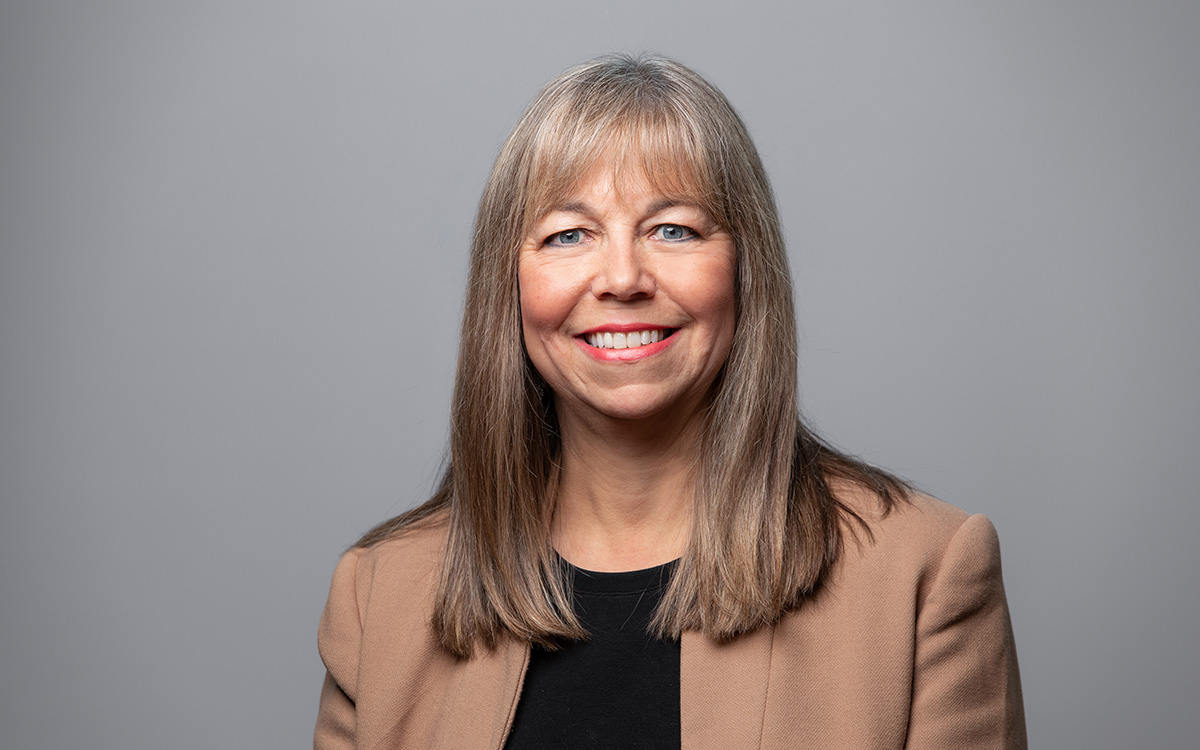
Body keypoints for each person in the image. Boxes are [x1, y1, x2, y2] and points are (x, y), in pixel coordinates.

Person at [314, 53, 1026, 749]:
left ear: (746, 270)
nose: (622, 277)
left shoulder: (921, 576)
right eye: (569, 235)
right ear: (511, 285)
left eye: (673, 229)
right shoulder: (380, 595)